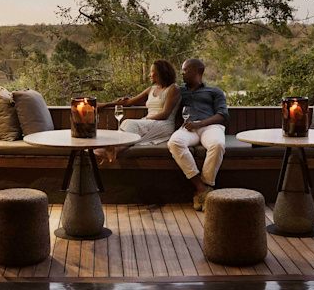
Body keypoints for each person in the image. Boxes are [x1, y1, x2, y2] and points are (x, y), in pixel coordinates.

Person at [168, 58, 228, 211]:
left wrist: (200, 123)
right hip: (188, 128)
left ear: (196, 71)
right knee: (174, 143)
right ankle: (202, 189)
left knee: (218, 144)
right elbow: (158, 98)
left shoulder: (215, 91)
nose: (182, 73)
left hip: (210, 126)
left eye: (184, 70)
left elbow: (222, 115)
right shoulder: (179, 91)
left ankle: (205, 189)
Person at [96, 60, 181, 163]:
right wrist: (105, 105)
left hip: (164, 125)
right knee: (130, 125)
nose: (149, 75)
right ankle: (113, 150)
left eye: (152, 72)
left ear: (161, 73)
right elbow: (128, 102)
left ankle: (110, 149)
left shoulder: (173, 89)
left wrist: (145, 119)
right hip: (149, 122)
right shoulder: (151, 89)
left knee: (130, 122)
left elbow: (165, 114)